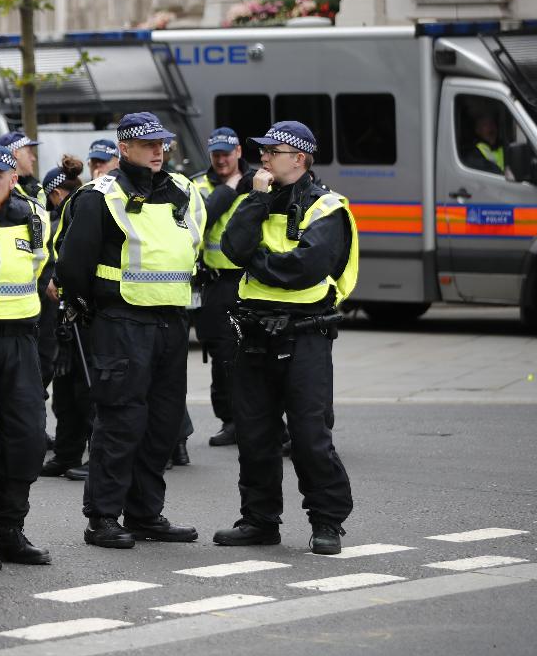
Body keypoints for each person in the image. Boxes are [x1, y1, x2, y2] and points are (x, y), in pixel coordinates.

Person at [57, 112, 206, 549]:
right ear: (124, 148)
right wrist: (94, 309)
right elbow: (73, 265)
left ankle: (145, 513)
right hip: (121, 322)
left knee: (162, 425)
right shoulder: (99, 196)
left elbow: (193, 246)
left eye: (163, 143)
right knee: (120, 422)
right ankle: (102, 517)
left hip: (171, 322)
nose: (159, 151)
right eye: (148, 144)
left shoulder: (184, 191)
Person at [214, 121, 358, 556]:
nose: (264, 158)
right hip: (254, 331)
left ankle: (327, 522)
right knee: (255, 435)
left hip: (305, 334)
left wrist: (256, 261)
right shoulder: (256, 197)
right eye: (263, 151)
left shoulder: (328, 207)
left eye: (273, 152)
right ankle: (259, 520)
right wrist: (256, 200)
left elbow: (304, 270)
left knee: (310, 436)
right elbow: (231, 247)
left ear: (299, 158)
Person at [0, 144, 54, 571]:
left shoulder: (35, 216)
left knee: (26, 437)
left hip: (21, 341)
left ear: (13, 178)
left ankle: (10, 530)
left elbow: (40, 269)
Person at [191, 127, 257, 448]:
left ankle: (261, 419)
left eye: (226, 154)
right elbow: (200, 220)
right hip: (217, 284)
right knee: (222, 354)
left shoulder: (257, 182)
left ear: (239, 153)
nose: (220, 160)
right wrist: (227, 190)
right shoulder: (198, 185)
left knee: (256, 351)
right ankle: (230, 420)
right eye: (215, 154)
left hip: (249, 281)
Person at [38, 157, 93, 480]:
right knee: (67, 390)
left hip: (79, 312)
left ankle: (84, 455)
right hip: (66, 317)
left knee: (84, 391)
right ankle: (66, 454)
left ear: (56, 193)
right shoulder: (70, 216)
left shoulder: (72, 217)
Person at [0, 130, 47, 207]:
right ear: (16, 153)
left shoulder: (33, 186)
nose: (33, 158)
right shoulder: (4, 192)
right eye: (29, 152)